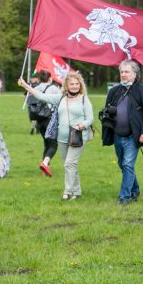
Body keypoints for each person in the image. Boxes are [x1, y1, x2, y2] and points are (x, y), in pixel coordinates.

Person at [19, 71, 94, 200]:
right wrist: (26, 86)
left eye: (77, 84)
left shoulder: (83, 99)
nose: (75, 86)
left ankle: (67, 191)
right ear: (66, 85)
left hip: (78, 136)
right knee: (70, 165)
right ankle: (77, 192)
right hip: (62, 137)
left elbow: (90, 118)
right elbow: (41, 96)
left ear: (80, 85)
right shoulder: (60, 97)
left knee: (69, 164)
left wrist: (82, 125)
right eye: (72, 84)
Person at [101, 60, 143, 206]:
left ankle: (124, 197)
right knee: (123, 164)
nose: (123, 75)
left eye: (127, 72)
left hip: (134, 136)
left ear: (135, 74)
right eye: (122, 72)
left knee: (128, 164)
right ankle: (135, 189)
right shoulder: (114, 91)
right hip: (117, 135)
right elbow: (108, 113)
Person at [28, 70, 61, 176]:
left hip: (39, 120)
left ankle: (45, 169)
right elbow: (61, 100)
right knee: (53, 144)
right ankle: (45, 164)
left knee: (47, 143)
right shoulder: (54, 88)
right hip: (49, 119)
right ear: (50, 78)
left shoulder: (36, 88)